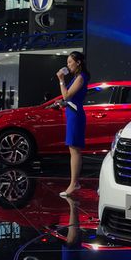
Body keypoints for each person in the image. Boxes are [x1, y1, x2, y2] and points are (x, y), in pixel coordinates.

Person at [57, 51, 88, 197]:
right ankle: (75, 182)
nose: (68, 65)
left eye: (70, 62)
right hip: (71, 113)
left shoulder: (81, 77)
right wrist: (64, 103)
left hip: (75, 115)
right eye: (67, 62)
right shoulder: (77, 77)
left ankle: (74, 184)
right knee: (73, 149)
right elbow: (68, 99)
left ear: (78, 62)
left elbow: (67, 95)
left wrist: (61, 80)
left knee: (74, 149)